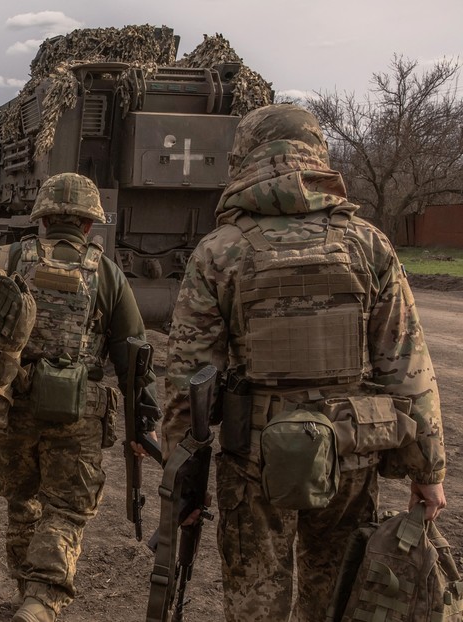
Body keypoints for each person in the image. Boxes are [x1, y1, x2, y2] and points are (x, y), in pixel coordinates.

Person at [162, 104, 447, 621]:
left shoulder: (219, 251)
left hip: (255, 464)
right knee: (335, 597)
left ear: (244, 159)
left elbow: (187, 381)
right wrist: (428, 470)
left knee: (256, 601)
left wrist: (183, 486)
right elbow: (407, 365)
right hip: (350, 453)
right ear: (318, 155)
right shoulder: (368, 243)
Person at [0, 172, 157, 622]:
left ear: (41, 220)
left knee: (23, 499)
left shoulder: (5, 256)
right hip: (76, 412)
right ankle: (41, 599)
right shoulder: (106, 272)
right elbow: (132, 355)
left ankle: (27, 590)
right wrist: (144, 420)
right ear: (88, 225)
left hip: (11, 402)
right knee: (66, 507)